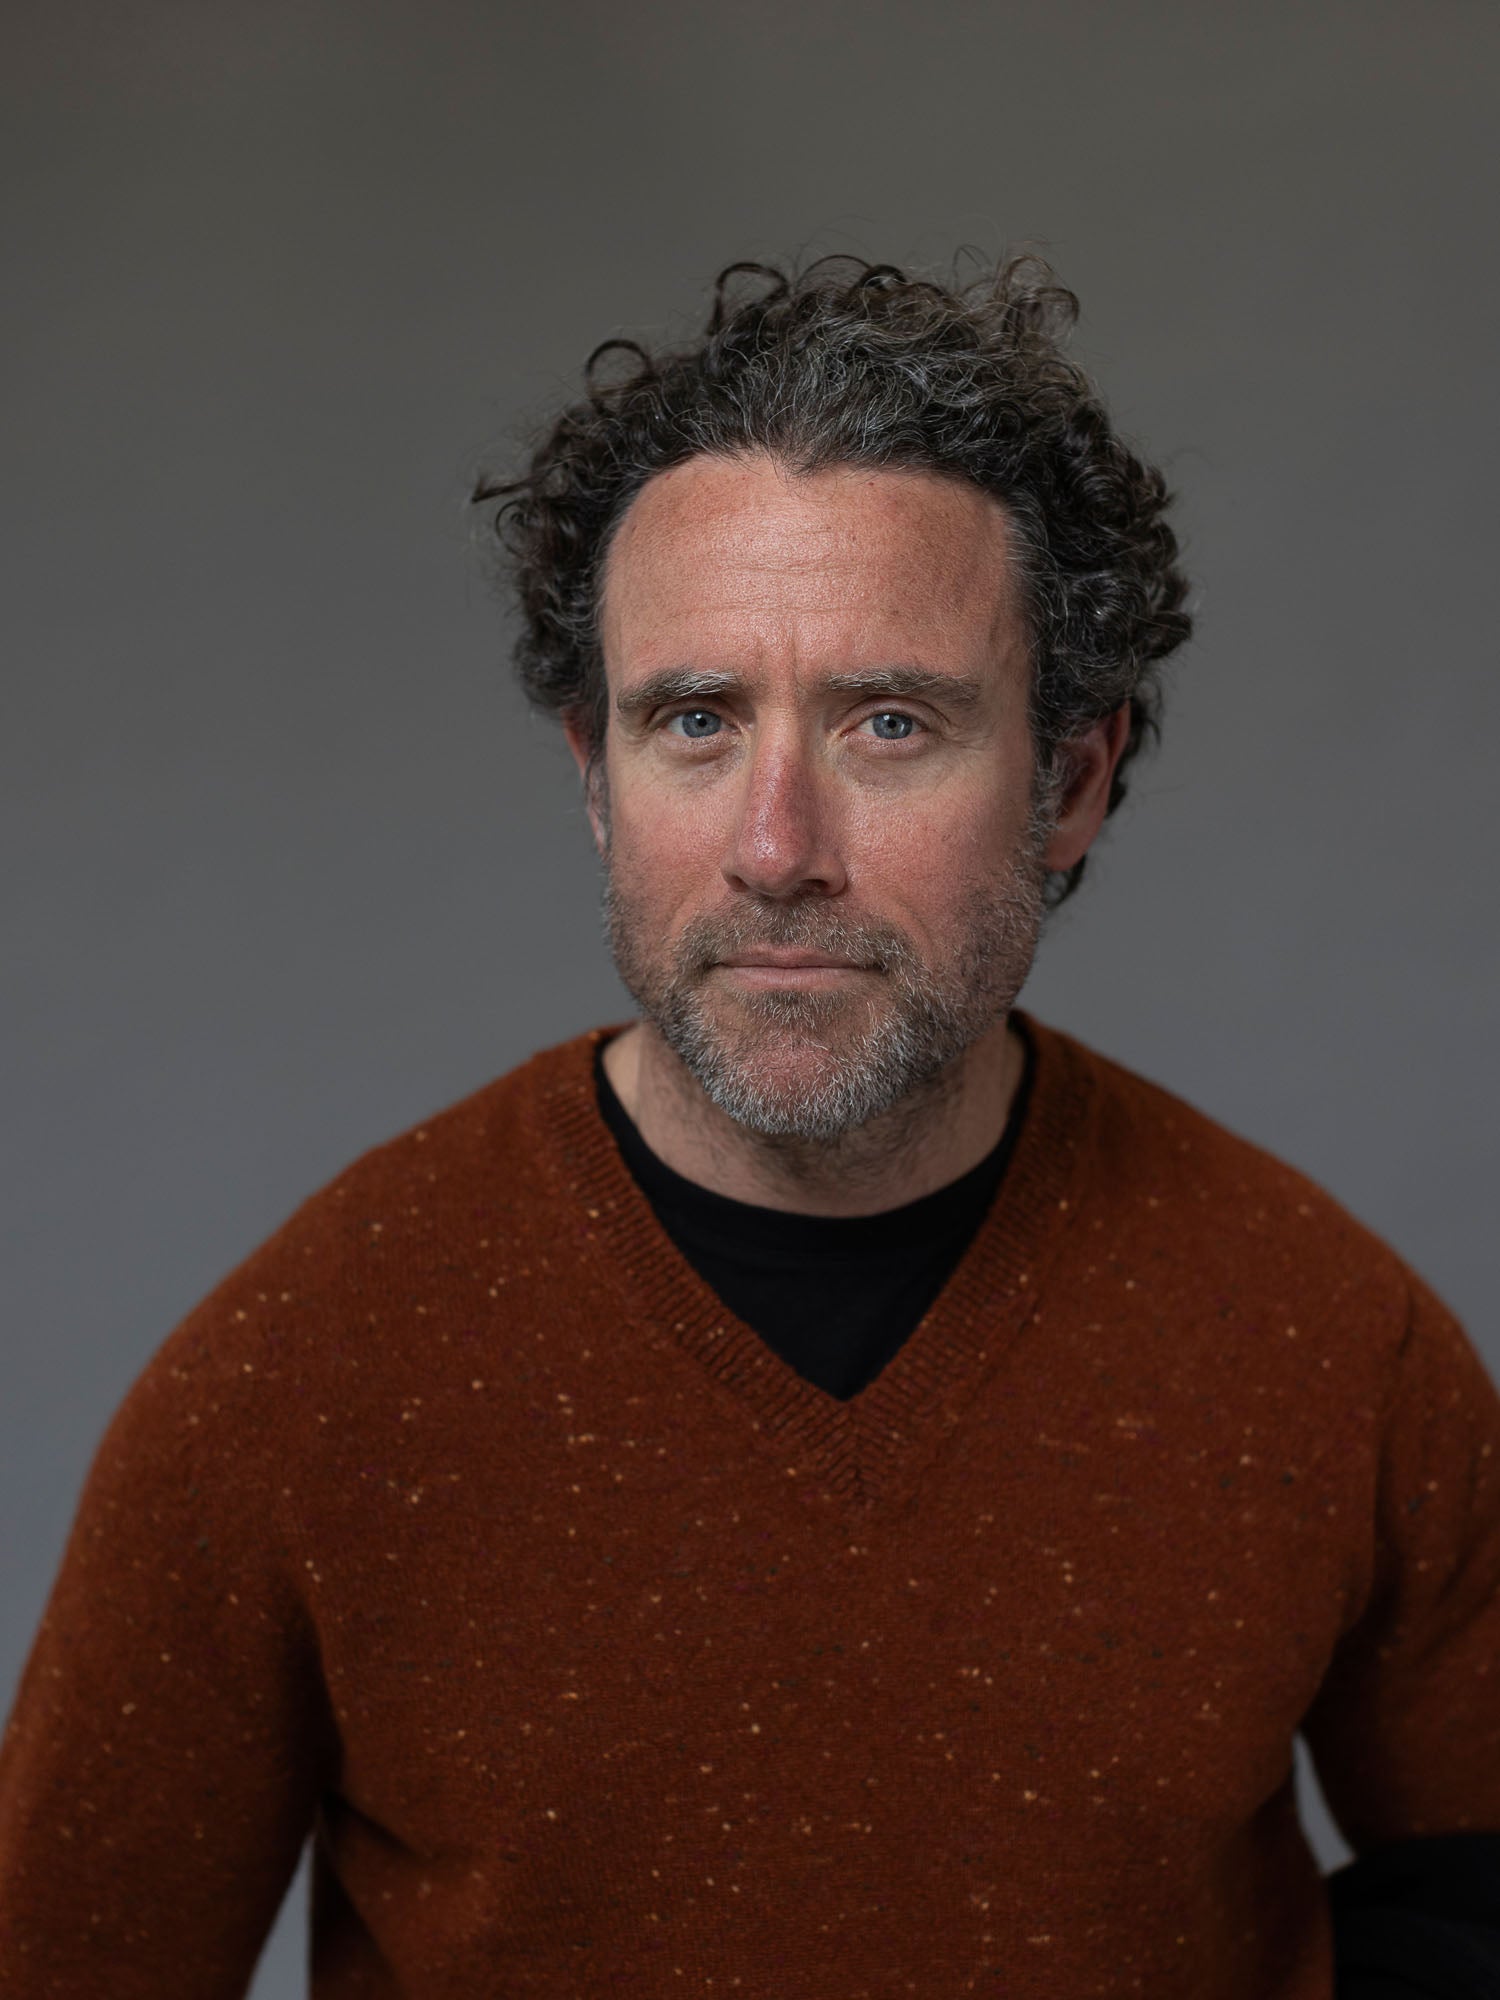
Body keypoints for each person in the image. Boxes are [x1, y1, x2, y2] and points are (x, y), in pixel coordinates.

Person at [1, 253, 1497, 1999]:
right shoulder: (295, 1377)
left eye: (890, 722)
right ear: (596, 776)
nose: (777, 847)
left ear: (1071, 782)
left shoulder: (1331, 1343)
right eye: (696, 721)